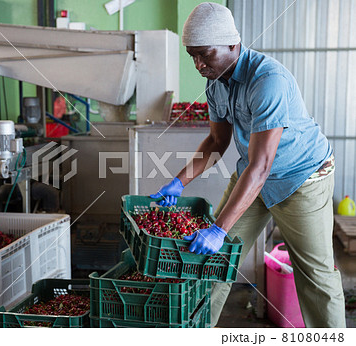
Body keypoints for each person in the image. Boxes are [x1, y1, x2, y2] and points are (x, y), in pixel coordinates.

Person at [150, 2, 345, 328]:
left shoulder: (268, 80)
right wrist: (179, 182)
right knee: (213, 261)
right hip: (254, 175)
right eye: (192, 56)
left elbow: (261, 164)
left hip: (301, 178)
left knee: (315, 275)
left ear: (232, 44)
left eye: (205, 54)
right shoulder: (215, 82)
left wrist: (218, 228)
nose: (198, 64)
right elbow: (216, 143)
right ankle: (196, 331)